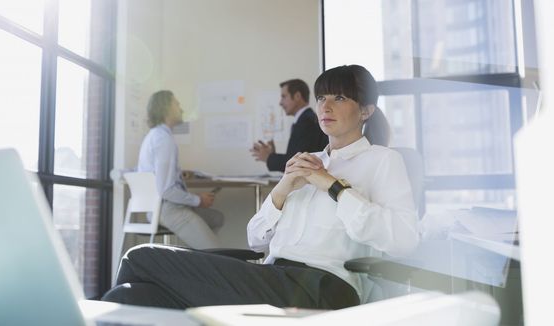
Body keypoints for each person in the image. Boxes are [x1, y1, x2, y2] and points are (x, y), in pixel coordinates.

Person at [102, 65, 418, 309]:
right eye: (321, 97)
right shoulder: (306, 161)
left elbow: (404, 241)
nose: (325, 106)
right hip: (271, 276)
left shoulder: (383, 160)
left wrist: (334, 187)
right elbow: (255, 239)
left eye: (339, 98)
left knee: (139, 257)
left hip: (323, 286)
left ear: (365, 111)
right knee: (129, 296)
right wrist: (282, 190)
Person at [136, 90, 224, 249]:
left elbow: (160, 179)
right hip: (168, 210)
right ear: (166, 108)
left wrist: (176, 174)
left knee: (217, 219)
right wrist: (199, 200)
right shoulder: (164, 140)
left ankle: (200, 257)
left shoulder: (153, 136)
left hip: (158, 208)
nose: (181, 108)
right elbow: (166, 191)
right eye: (177, 104)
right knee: (219, 254)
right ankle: (206, 257)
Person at [250, 79, 328, 172]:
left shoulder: (307, 122)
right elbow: (295, 158)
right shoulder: (304, 120)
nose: (280, 103)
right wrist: (272, 155)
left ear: (297, 96)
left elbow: (298, 164)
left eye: (283, 97)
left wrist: (269, 157)